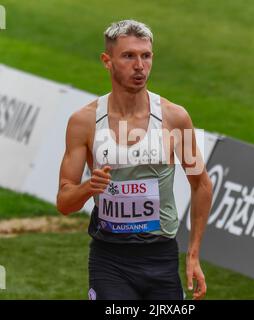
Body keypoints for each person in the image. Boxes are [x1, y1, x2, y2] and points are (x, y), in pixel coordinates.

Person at [56, 19, 213, 300]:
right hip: (110, 259)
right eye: (129, 56)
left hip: (161, 257)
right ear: (107, 61)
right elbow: (64, 202)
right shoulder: (84, 122)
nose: (139, 65)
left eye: (146, 56)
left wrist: (193, 255)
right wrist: (89, 187)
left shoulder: (174, 118)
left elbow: (201, 184)